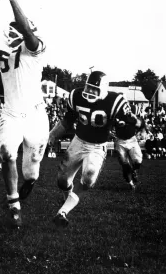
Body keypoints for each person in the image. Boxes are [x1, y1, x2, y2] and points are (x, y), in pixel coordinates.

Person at [0, 0, 49, 227]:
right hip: (11, 113)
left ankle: (28, 182)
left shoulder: (36, 49)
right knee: (6, 152)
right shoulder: (4, 55)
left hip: (36, 115)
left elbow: (28, 33)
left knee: (31, 173)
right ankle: (14, 204)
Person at [49, 70, 142, 228]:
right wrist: (51, 135)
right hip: (78, 142)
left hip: (97, 146)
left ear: (104, 89)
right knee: (62, 181)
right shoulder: (76, 96)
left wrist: (124, 124)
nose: (90, 92)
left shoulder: (115, 101)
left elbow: (131, 128)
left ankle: (62, 212)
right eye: (89, 88)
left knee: (89, 177)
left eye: (94, 89)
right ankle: (68, 197)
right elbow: (67, 122)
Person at [114, 114, 145, 190]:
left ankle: (133, 171)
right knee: (125, 164)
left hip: (132, 140)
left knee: (138, 161)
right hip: (120, 141)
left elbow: (140, 124)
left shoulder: (132, 115)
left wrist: (134, 120)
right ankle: (131, 184)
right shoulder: (116, 114)